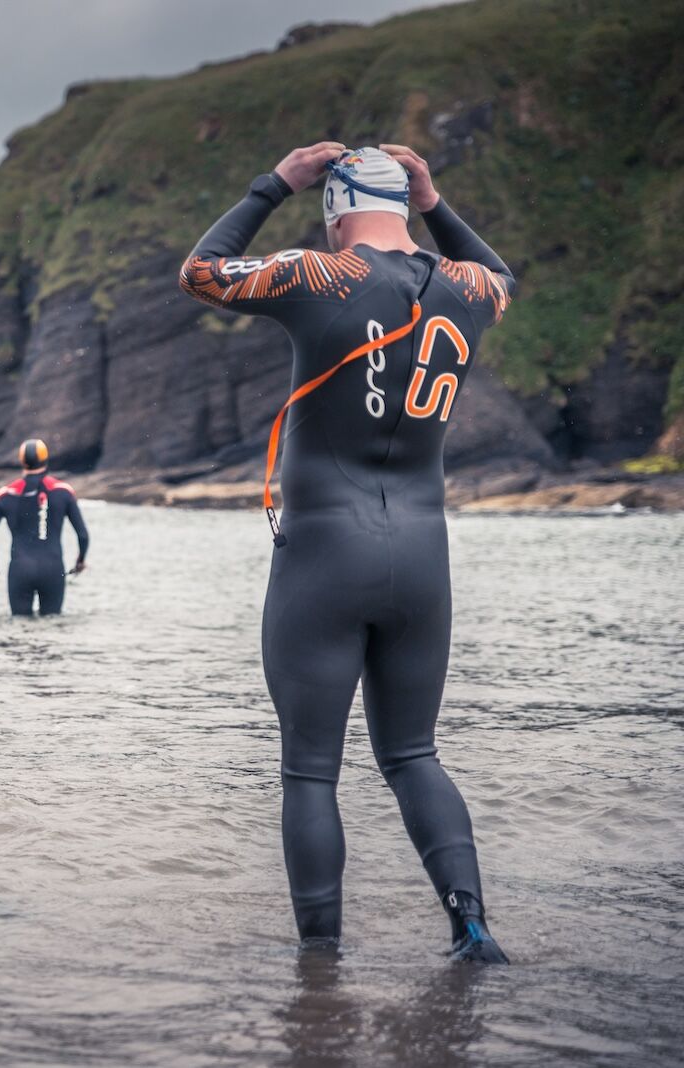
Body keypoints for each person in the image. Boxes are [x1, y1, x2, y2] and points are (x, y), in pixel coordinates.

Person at [178, 144, 515, 962]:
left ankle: (320, 969)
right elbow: (500, 274)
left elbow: (203, 272)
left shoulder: (315, 276)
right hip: (422, 558)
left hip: (325, 552)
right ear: (406, 204)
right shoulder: (469, 290)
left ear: (332, 208)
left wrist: (274, 182)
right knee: (412, 753)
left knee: (309, 774)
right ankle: (470, 926)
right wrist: (435, 200)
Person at [0, 438, 89, 617]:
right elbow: (83, 536)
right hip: (53, 569)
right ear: (46, 460)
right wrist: (80, 560)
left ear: (22, 461)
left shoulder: (5, 494)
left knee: (20, 629)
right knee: (52, 628)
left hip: (20, 570)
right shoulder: (63, 491)